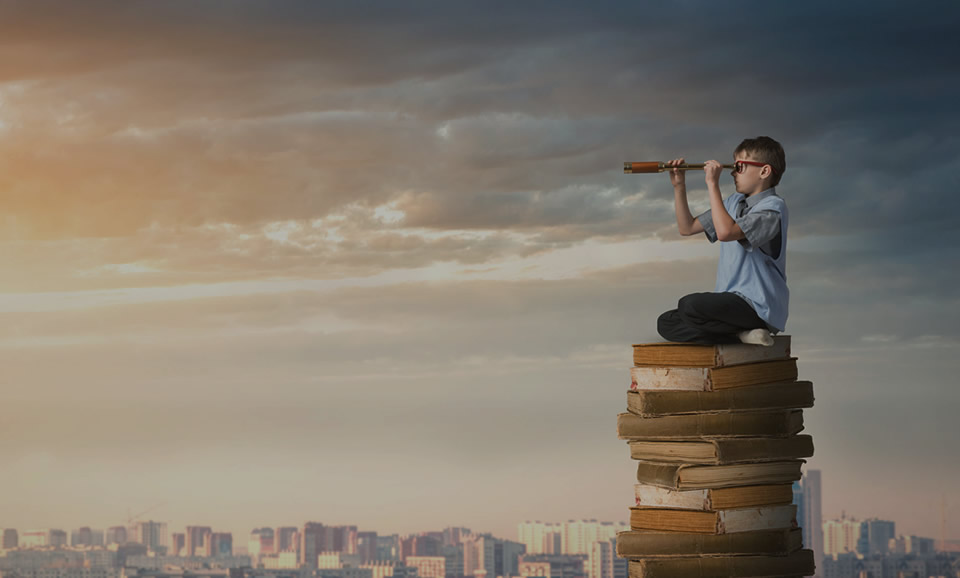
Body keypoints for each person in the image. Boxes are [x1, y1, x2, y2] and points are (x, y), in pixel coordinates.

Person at [656, 136, 788, 346]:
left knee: (690, 305)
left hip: (757, 306)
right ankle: (740, 335)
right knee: (666, 322)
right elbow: (687, 227)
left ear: (764, 171)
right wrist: (679, 186)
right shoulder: (734, 202)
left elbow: (726, 232)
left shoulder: (772, 208)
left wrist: (712, 184)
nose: (733, 173)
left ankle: (747, 329)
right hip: (730, 301)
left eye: (740, 167)